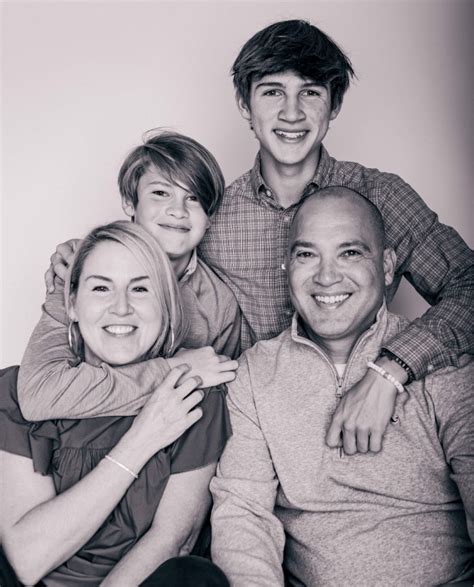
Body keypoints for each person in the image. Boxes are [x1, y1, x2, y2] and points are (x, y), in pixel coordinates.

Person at [198, 19, 474, 453]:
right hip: (259, 443)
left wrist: (391, 369)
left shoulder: (381, 197)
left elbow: (469, 284)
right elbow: (152, 294)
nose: (292, 113)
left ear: (335, 104)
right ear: (244, 103)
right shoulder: (210, 216)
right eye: (272, 92)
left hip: (372, 439)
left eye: (310, 92)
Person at [210, 187, 473, 586]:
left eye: (350, 253)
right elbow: (244, 514)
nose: (327, 276)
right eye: (307, 255)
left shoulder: (444, 365)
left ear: (387, 266)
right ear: (287, 266)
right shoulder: (254, 373)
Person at [0, 221, 231, 586]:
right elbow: (27, 561)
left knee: (193, 577)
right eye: (101, 288)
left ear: (166, 306)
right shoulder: (19, 391)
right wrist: (140, 441)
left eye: (140, 288)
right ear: (72, 305)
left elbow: (172, 540)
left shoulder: (195, 394)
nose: (121, 308)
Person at [18, 130, 240, 420]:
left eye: (194, 198)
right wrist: (175, 370)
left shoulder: (218, 305)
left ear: (210, 217)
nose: (177, 211)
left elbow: (216, 404)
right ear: (129, 202)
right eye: (160, 193)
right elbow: (41, 394)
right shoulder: (79, 270)